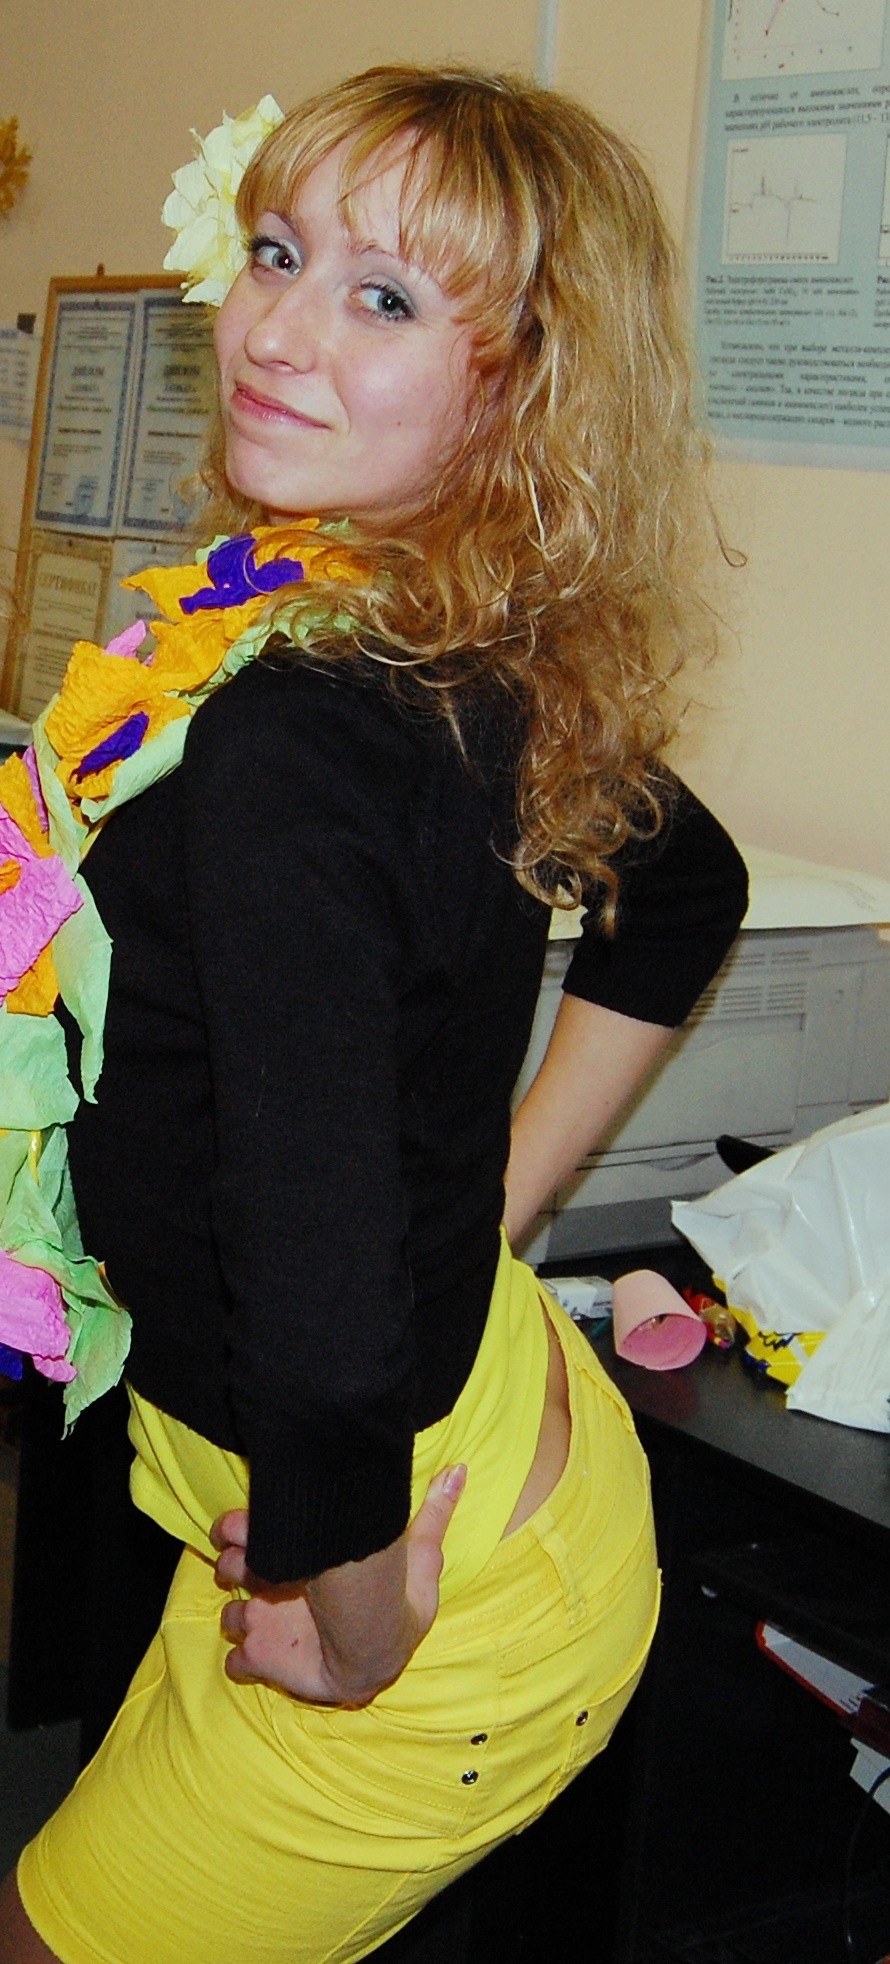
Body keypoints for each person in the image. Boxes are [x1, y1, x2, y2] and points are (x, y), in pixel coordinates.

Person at [0, 64, 747, 1964]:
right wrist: (486, 1203)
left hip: (403, 1587)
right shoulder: (410, 634)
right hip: (367, 1495)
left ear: (519, 392)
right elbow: (690, 888)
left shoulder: (297, 746)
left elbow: (327, 1327)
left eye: (384, 297)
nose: (275, 331)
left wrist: (351, 1625)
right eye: (276, 254)